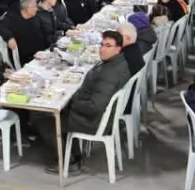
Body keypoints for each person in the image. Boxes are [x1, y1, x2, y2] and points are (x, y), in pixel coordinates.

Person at [34, 30, 131, 174]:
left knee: (43, 119)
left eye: (108, 46)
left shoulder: (109, 74)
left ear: (118, 48)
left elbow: (94, 107)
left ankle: (67, 162)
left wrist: (73, 103)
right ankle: (74, 155)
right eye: (102, 44)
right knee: (58, 112)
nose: (102, 49)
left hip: (93, 121)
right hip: (98, 116)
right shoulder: (118, 63)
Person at [0, 0, 49, 66]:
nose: (36, 9)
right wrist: (9, 37)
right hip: (28, 60)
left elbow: (45, 33)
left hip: (43, 54)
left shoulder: (36, 17)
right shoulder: (12, 18)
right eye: (34, 6)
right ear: (26, 8)